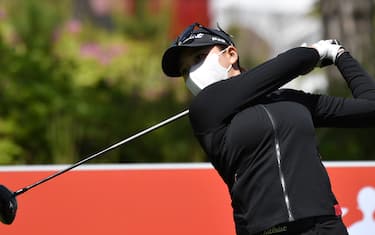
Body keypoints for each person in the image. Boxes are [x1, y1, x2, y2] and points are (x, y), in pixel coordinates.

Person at [161, 22, 375, 235]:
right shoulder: (204, 108)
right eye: (185, 70)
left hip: (325, 225)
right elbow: (289, 64)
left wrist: (340, 55)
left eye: (199, 58)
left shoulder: (290, 100)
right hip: (266, 230)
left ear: (232, 54)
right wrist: (316, 51)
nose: (192, 73)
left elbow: (370, 108)